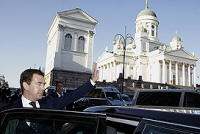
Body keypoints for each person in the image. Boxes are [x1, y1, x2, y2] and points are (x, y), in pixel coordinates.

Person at [1, 63, 98, 111]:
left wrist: (91, 81)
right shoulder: (10, 111)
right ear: (26, 85)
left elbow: (73, 95)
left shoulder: (50, 103)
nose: (43, 88)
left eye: (43, 84)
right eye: (39, 84)